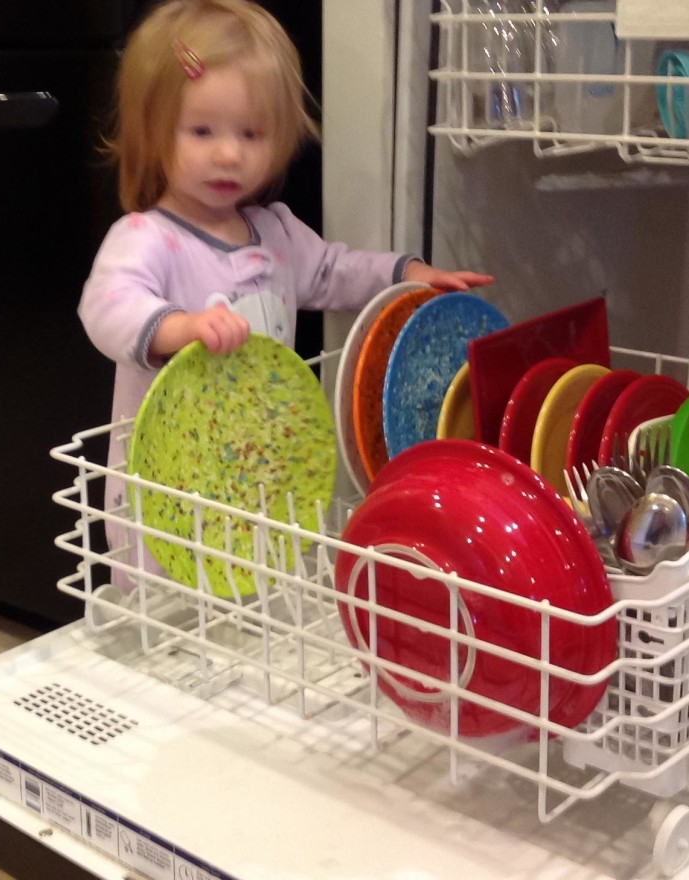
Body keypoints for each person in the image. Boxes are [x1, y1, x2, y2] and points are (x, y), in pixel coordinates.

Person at [79, 0, 493, 588]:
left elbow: (332, 271)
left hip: (262, 473)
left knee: (258, 599)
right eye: (202, 131)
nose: (230, 153)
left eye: (251, 133)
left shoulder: (274, 231)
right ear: (152, 131)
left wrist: (407, 274)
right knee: (166, 620)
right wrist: (180, 327)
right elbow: (106, 305)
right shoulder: (148, 239)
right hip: (169, 488)